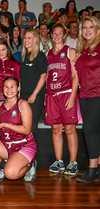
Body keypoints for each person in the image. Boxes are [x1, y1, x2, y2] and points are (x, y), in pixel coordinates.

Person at [0, 77, 37, 182]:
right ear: (3, 89)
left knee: (10, 174)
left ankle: (30, 166)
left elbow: (26, 130)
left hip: (23, 145)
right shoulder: (0, 105)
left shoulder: (23, 104)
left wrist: (6, 125)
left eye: (12, 87)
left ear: (18, 88)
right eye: (6, 87)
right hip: (7, 144)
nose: (9, 90)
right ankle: (2, 167)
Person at [44, 24, 79, 175]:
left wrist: (72, 97)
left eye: (60, 33)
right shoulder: (48, 54)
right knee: (56, 129)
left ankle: (73, 162)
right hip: (52, 95)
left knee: (70, 129)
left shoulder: (70, 51)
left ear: (64, 35)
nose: (57, 36)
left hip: (66, 93)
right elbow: (47, 77)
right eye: (55, 33)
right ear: (51, 35)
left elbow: (76, 76)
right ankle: (59, 162)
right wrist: (46, 97)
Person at [75, 16, 100, 183]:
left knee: (90, 132)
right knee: (94, 132)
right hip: (85, 96)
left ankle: (92, 170)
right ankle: (97, 168)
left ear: (97, 29)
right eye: (84, 27)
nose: (87, 30)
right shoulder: (83, 50)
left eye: (91, 27)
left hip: (97, 95)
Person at [20, 29, 47, 137]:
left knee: (31, 127)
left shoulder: (40, 56)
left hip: (34, 97)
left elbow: (43, 76)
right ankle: (25, 152)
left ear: (35, 40)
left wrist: (34, 94)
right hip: (24, 95)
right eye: (25, 38)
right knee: (24, 126)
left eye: (29, 38)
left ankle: (32, 152)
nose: (26, 40)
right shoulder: (24, 56)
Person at [0, 38, 20, 122]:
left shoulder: (16, 64)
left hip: (11, 99)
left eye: (3, 49)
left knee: (11, 125)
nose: (1, 52)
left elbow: (20, 83)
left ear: (7, 49)